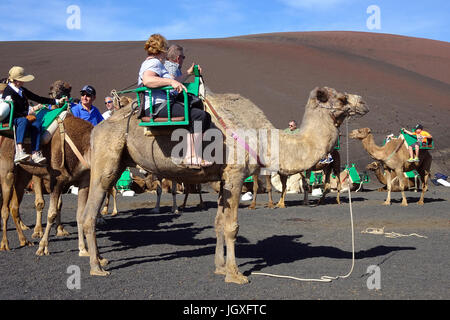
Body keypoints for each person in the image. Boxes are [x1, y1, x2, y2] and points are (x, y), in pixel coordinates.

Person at [138, 34, 212, 168]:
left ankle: (194, 154)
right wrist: (170, 81)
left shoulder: (156, 64)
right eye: (165, 49)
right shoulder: (153, 62)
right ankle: (191, 156)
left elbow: (174, 80)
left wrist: (186, 74)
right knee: (199, 115)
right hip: (158, 108)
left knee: (200, 113)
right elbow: (148, 80)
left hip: (161, 105)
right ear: (162, 50)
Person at [2, 66, 66, 164]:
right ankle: (19, 151)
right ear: (15, 80)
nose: (23, 81)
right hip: (11, 119)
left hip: (22, 118)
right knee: (23, 120)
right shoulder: (8, 92)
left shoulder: (22, 90)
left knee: (36, 124)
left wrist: (56, 101)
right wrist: (25, 115)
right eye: (21, 79)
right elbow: (9, 110)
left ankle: (35, 153)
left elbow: (37, 98)